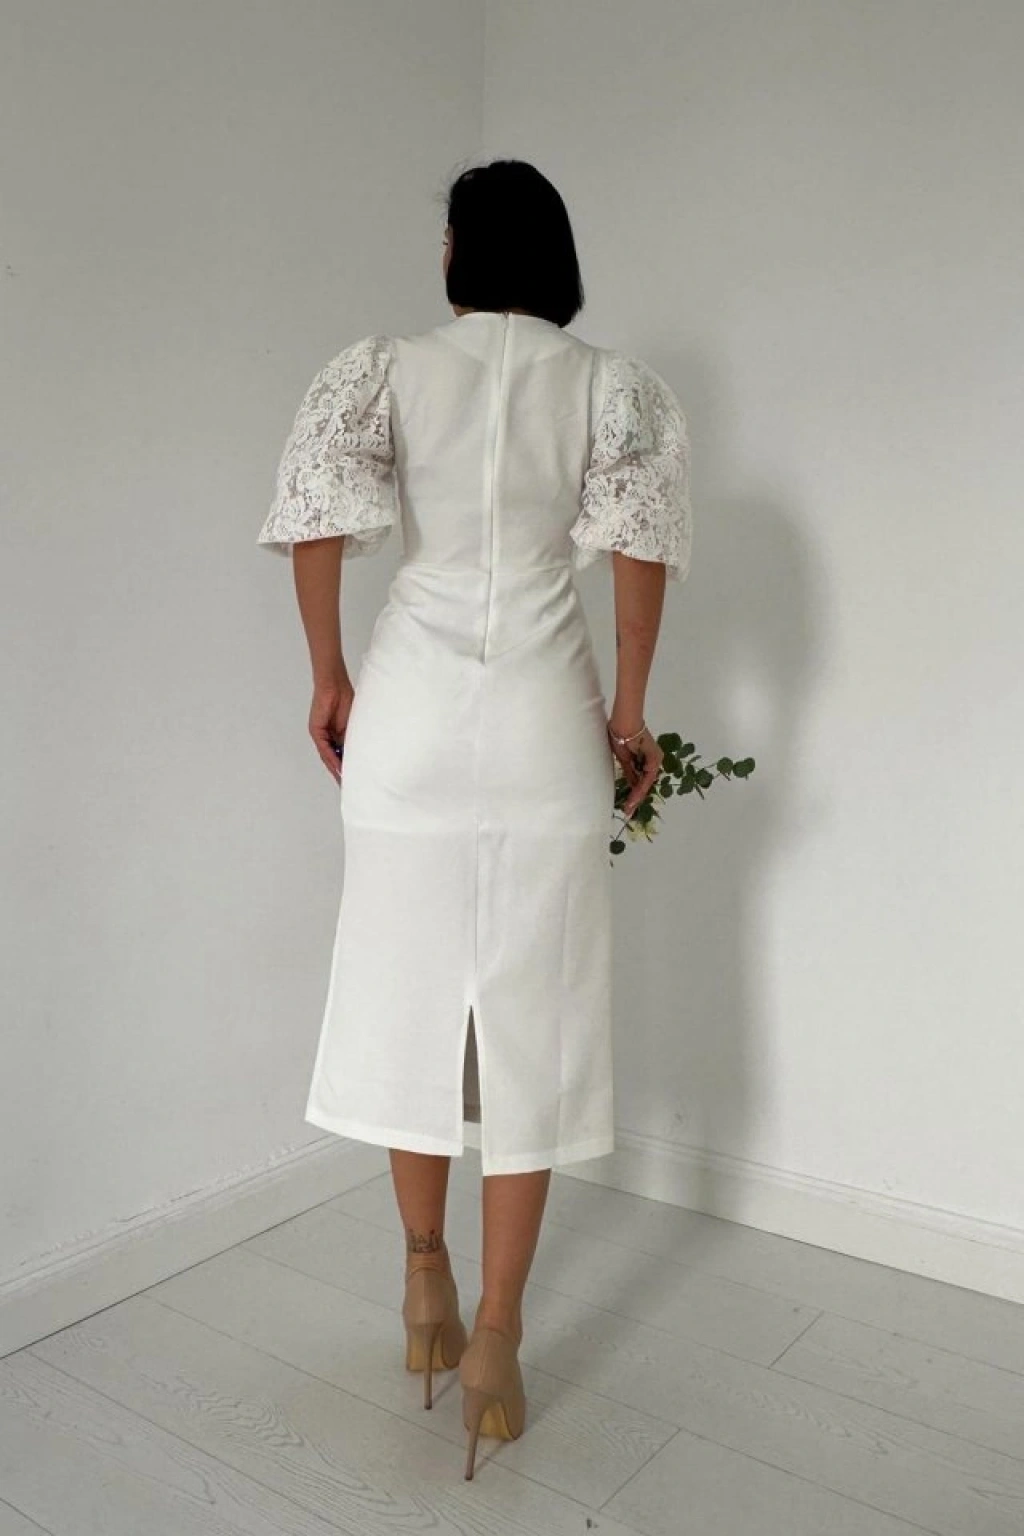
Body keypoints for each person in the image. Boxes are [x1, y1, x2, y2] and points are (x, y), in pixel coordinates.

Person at [257, 157, 692, 1479]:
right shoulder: (612, 387)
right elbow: (638, 555)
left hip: (412, 716)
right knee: (533, 1018)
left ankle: (424, 1282)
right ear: (556, 255)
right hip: (543, 722)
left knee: (409, 996)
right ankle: (498, 1336)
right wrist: (631, 715)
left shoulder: (381, 370)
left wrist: (327, 675)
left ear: (455, 250)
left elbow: (319, 519)